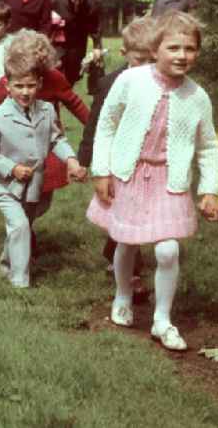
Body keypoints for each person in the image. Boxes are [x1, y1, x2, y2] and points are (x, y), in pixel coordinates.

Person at [87, 10, 218, 351]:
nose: (182, 56)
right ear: (156, 49)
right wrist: (101, 169)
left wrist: (208, 189)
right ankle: (122, 295)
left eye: (190, 49)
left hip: (168, 179)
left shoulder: (197, 96)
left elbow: (207, 146)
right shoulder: (131, 80)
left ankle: (162, 318)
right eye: (173, 47)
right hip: (128, 174)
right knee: (126, 241)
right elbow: (106, 124)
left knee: (168, 249)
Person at [0, 43, 82, 288]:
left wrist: (72, 160)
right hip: (5, 186)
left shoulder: (46, 110)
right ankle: (20, 283)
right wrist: (11, 168)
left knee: (20, 226)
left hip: (34, 184)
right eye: (19, 86)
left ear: (40, 84)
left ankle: (6, 264)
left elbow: (57, 138)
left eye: (31, 85)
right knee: (20, 225)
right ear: (7, 86)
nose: (25, 92)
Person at [77, 16, 155, 300]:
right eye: (139, 60)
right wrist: (86, 161)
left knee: (136, 213)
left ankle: (117, 253)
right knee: (125, 213)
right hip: (114, 160)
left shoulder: (162, 86)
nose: (146, 67)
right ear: (124, 54)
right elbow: (96, 123)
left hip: (146, 162)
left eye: (152, 60)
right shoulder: (112, 83)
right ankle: (130, 272)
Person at [0, 30, 88, 207]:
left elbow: (75, 103)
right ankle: (20, 226)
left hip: (46, 140)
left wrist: (93, 125)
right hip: (16, 144)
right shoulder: (9, 82)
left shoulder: (54, 78)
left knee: (43, 196)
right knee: (19, 190)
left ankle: (26, 222)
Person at [60, 0, 103, 86]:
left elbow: (95, 28)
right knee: (57, 70)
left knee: (74, 73)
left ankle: (66, 93)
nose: (77, 2)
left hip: (78, 43)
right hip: (60, 42)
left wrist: (97, 46)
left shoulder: (91, 7)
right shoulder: (59, 2)